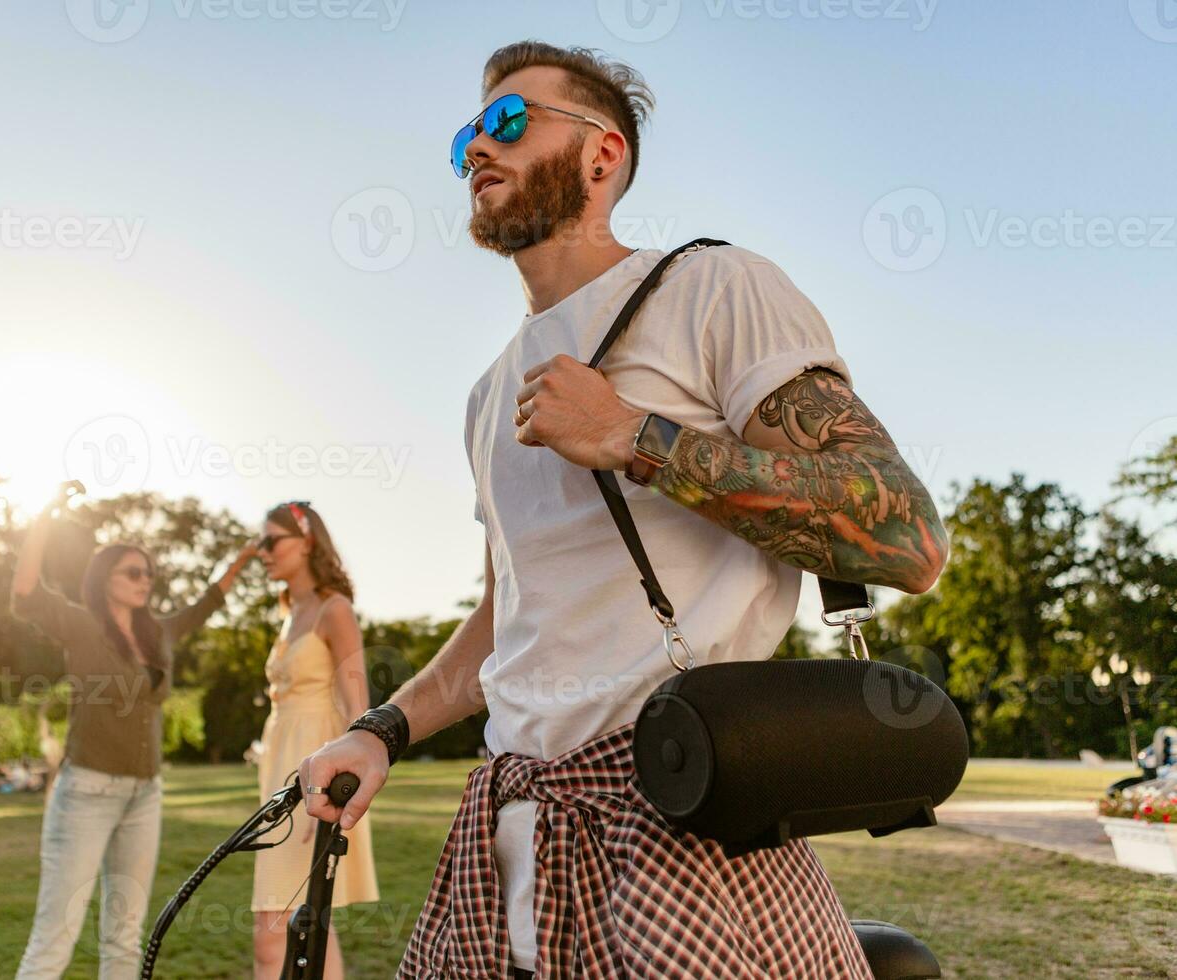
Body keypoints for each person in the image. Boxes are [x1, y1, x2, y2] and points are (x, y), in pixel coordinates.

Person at [299, 41, 950, 979]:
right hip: (508, 820)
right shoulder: (491, 394)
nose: (479, 149)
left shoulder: (713, 287)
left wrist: (637, 437)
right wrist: (380, 729)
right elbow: (506, 621)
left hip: (678, 809)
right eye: (466, 138)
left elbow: (906, 535)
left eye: (509, 122)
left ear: (602, 155)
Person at [10, 491, 258, 978]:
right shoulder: (80, 626)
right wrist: (43, 513)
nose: (146, 581)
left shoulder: (158, 634)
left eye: (149, 573)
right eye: (134, 572)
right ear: (105, 579)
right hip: (86, 792)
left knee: (124, 936)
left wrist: (244, 556)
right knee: (55, 934)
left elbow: (209, 602)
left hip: (145, 793)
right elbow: (24, 593)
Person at [250, 500, 379, 980]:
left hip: (314, 781)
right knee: (308, 927)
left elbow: (357, 707)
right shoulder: (289, 609)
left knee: (275, 932)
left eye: (269, 541)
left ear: (306, 542)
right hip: (280, 775)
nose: (261, 552)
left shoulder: (333, 608)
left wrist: (326, 791)